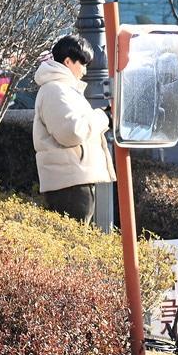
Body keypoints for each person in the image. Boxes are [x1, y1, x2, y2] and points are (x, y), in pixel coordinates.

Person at [31, 35, 115, 223]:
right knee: (73, 238)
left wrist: (102, 115)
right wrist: (103, 117)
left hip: (72, 179)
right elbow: (72, 132)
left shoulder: (62, 89)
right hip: (69, 183)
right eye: (83, 63)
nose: (85, 70)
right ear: (68, 61)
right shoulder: (55, 90)